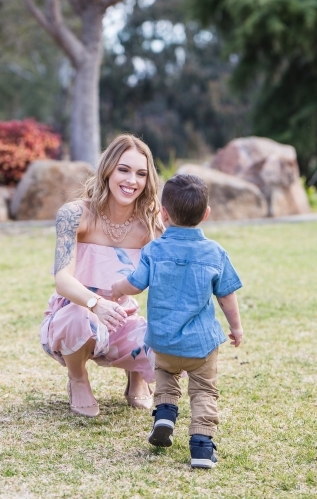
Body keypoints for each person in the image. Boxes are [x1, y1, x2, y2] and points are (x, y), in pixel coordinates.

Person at [111, 174, 244, 469]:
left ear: (163, 213)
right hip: (201, 345)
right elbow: (226, 295)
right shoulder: (214, 252)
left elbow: (135, 284)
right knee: (204, 391)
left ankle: (165, 417)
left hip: (164, 341)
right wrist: (235, 327)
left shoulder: (154, 250)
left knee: (166, 378)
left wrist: (119, 289)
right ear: (206, 214)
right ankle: (201, 446)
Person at [40, 134, 164, 417]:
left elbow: (165, 276)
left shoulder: (150, 222)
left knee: (167, 338)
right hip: (75, 312)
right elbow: (62, 280)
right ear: (108, 169)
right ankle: (78, 378)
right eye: (124, 169)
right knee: (78, 317)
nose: (132, 180)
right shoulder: (74, 214)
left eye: (141, 174)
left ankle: (137, 373)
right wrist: (96, 303)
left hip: (122, 318)